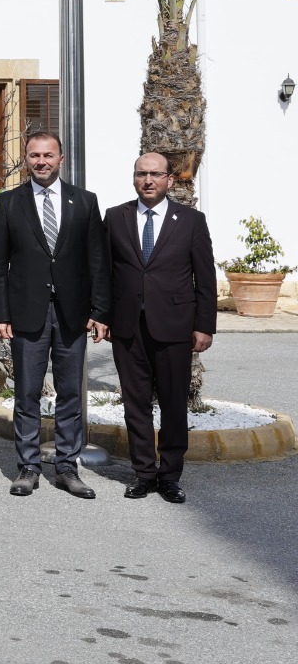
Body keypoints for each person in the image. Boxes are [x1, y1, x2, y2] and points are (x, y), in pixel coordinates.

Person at [0, 131, 111, 499]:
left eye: (48, 155)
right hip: (27, 313)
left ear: (61, 159)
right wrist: (0, 314)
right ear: (26, 159)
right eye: (34, 155)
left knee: (70, 392)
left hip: (73, 314)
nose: (41, 161)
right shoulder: (9, 203)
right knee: (26, 392)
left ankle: (67, 467)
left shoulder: (85, 201)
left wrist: (100, 311)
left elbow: (98, 260)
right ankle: (28, 466)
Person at [102, 152, 215, 504]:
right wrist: (102, 315)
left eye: (155, 174)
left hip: (175, 327)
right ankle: (144, 474)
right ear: (134, 178)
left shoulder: (191, 221)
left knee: (173, 403)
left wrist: (204, 326)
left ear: (169, 179)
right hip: (127, 327)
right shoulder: (115, 217)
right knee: (135, 404)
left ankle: (169, 476)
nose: (148, 180)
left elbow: (205, 278)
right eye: (141, 174)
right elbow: (104, 272)